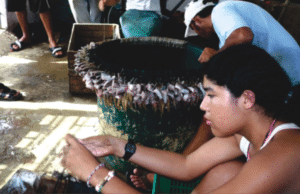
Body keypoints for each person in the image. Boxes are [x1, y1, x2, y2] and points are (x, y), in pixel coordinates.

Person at [61, 44, 300, 194]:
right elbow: (187, 166)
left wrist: (96, 174)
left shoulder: (285, 154)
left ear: (247, 99)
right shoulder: (251, 134)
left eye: (211, 95)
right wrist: (117, 145)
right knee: (225, 172)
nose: (203, 105)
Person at [184, 0, 300, 86]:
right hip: (284, 70)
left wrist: (215, 56)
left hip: (287, 70)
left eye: (194, 30)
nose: (200, 35)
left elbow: (243, 36)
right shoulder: (227, 26)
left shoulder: (220, 10)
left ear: (197, 21)